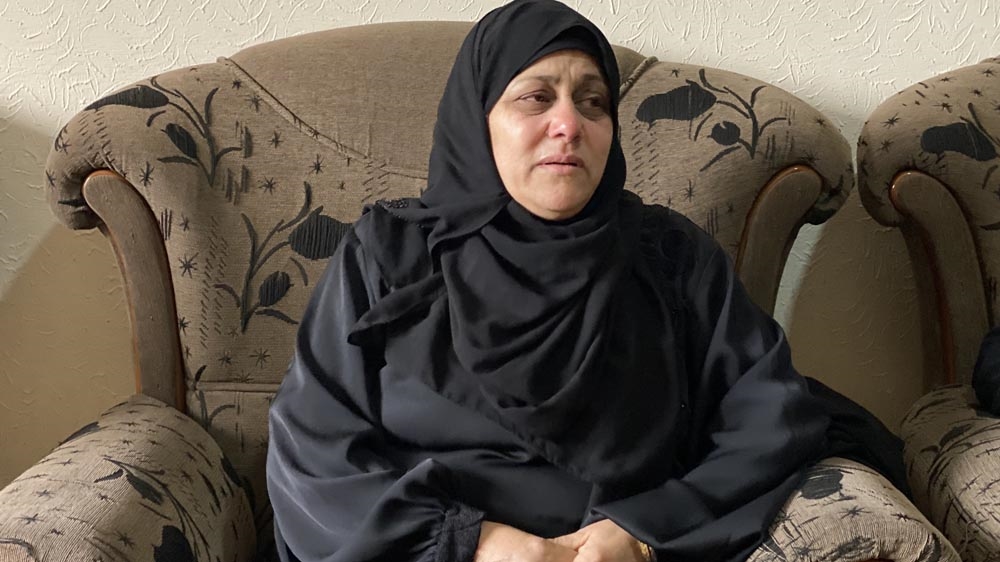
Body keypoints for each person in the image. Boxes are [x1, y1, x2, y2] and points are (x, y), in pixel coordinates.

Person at [266, 1, 902, 561]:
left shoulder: (670, 255)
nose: (569, 124)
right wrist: (474, 544)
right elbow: (314, 446)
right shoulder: (388, 253)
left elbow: (769, 419)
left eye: (593, 101)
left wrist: (643, 533)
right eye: (536, 98)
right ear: (478, 119)